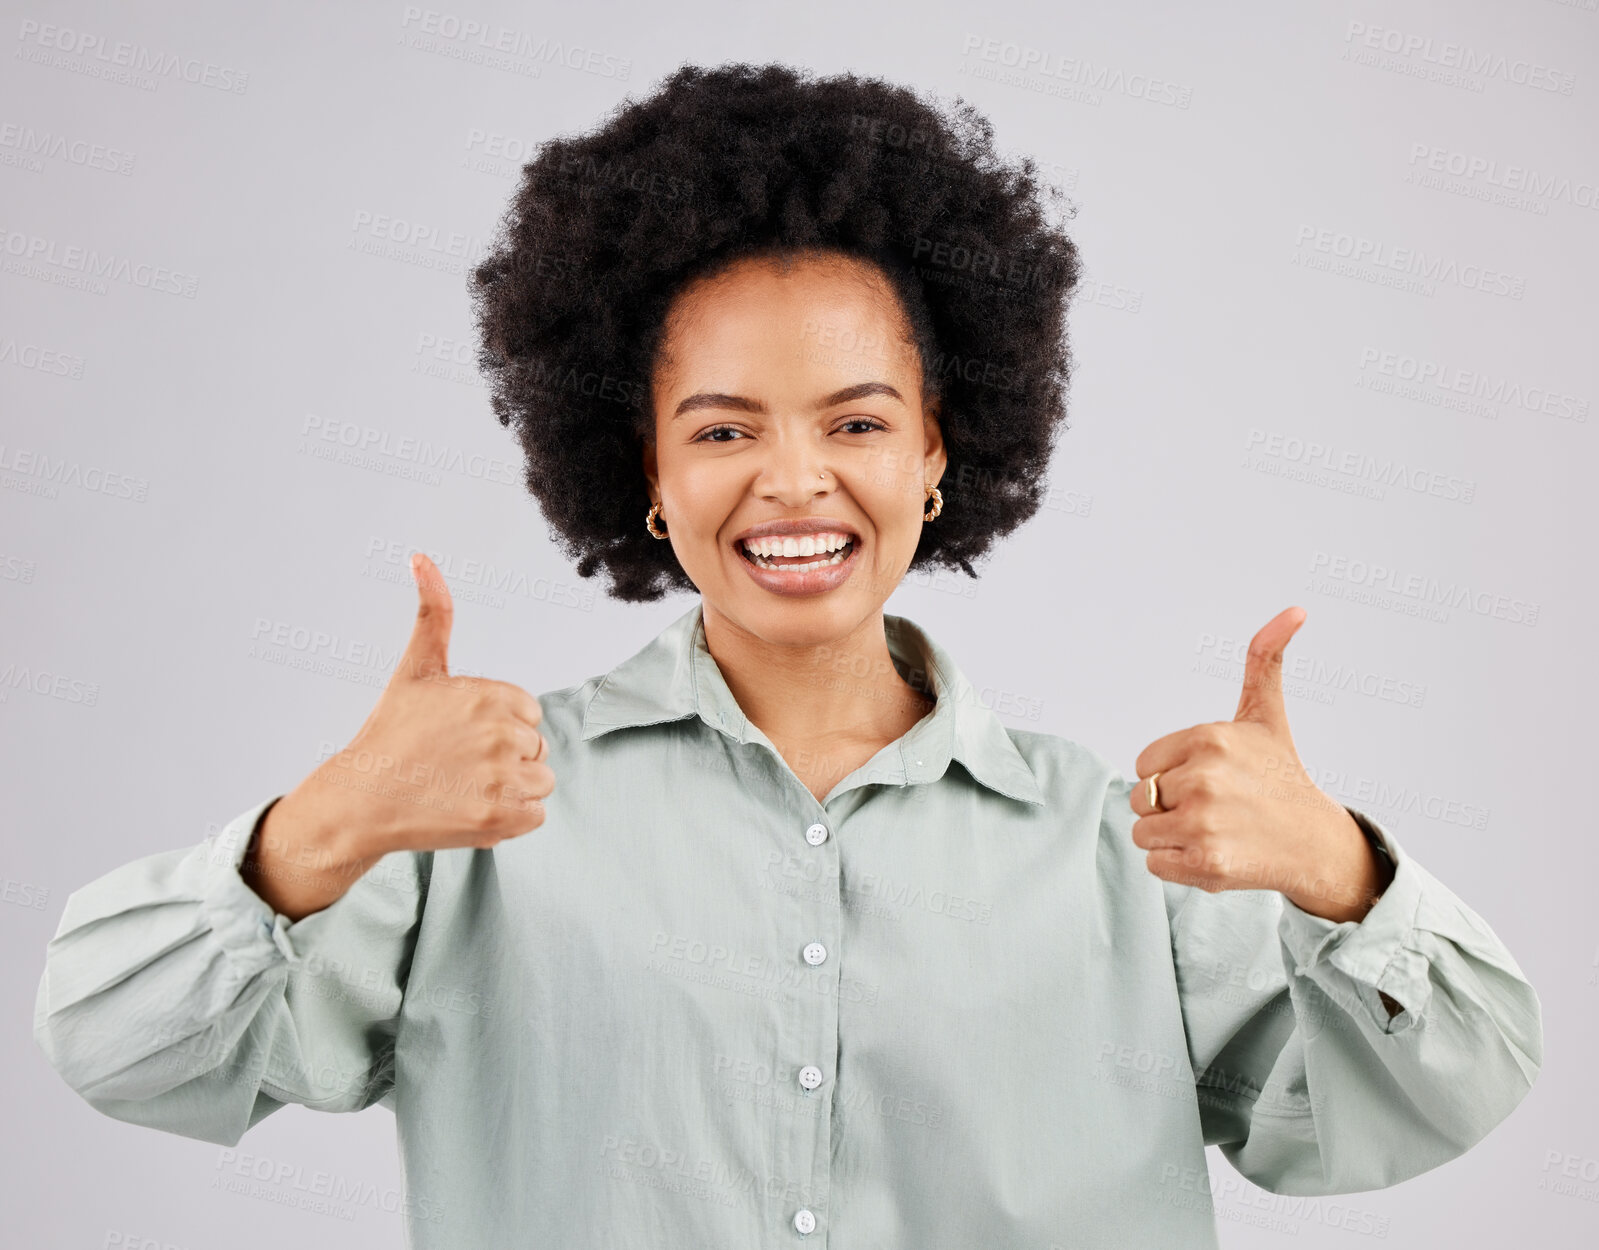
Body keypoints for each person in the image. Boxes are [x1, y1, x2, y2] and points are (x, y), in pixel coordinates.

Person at [34, 62, 1541, 1247]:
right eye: (724, 429)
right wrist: (331, 822)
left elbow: (1431, 1102)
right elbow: (115, 1045)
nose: (795, 480)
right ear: (645, 469)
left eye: (858, 421)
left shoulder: (1121, 847)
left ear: (942, 452)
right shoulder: (473, 825)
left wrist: (1341, 869)